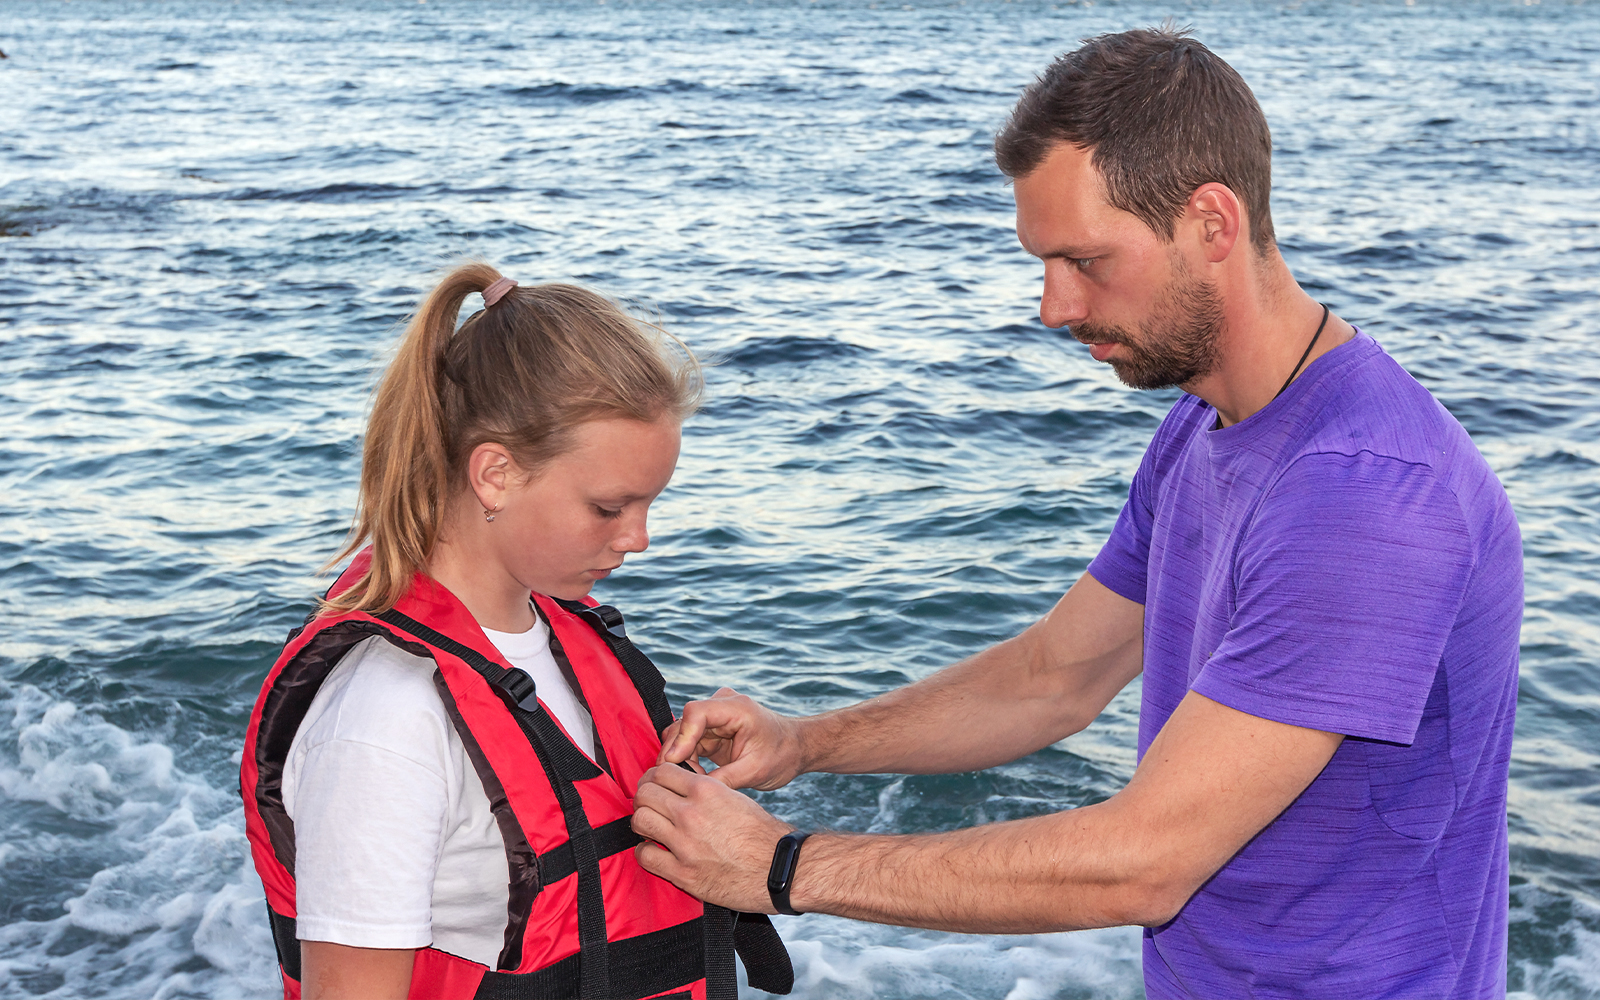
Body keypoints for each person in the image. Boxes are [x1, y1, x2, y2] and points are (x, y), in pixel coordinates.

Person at [631, 27, 1522, 999]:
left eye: (1084, 261)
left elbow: (1146, 858)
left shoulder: (1362, 494)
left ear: (1212, 224)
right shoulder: (1204, 424)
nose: (1052, 306)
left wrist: (783, 868)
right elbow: (1054, 677)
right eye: (1041, 261)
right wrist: (806, 742)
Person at [240, 262, 791, 1000]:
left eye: (650, 504)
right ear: (495, 475)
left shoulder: (576, 642)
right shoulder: (385, 721)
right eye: (609, 508)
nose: (640, 538)